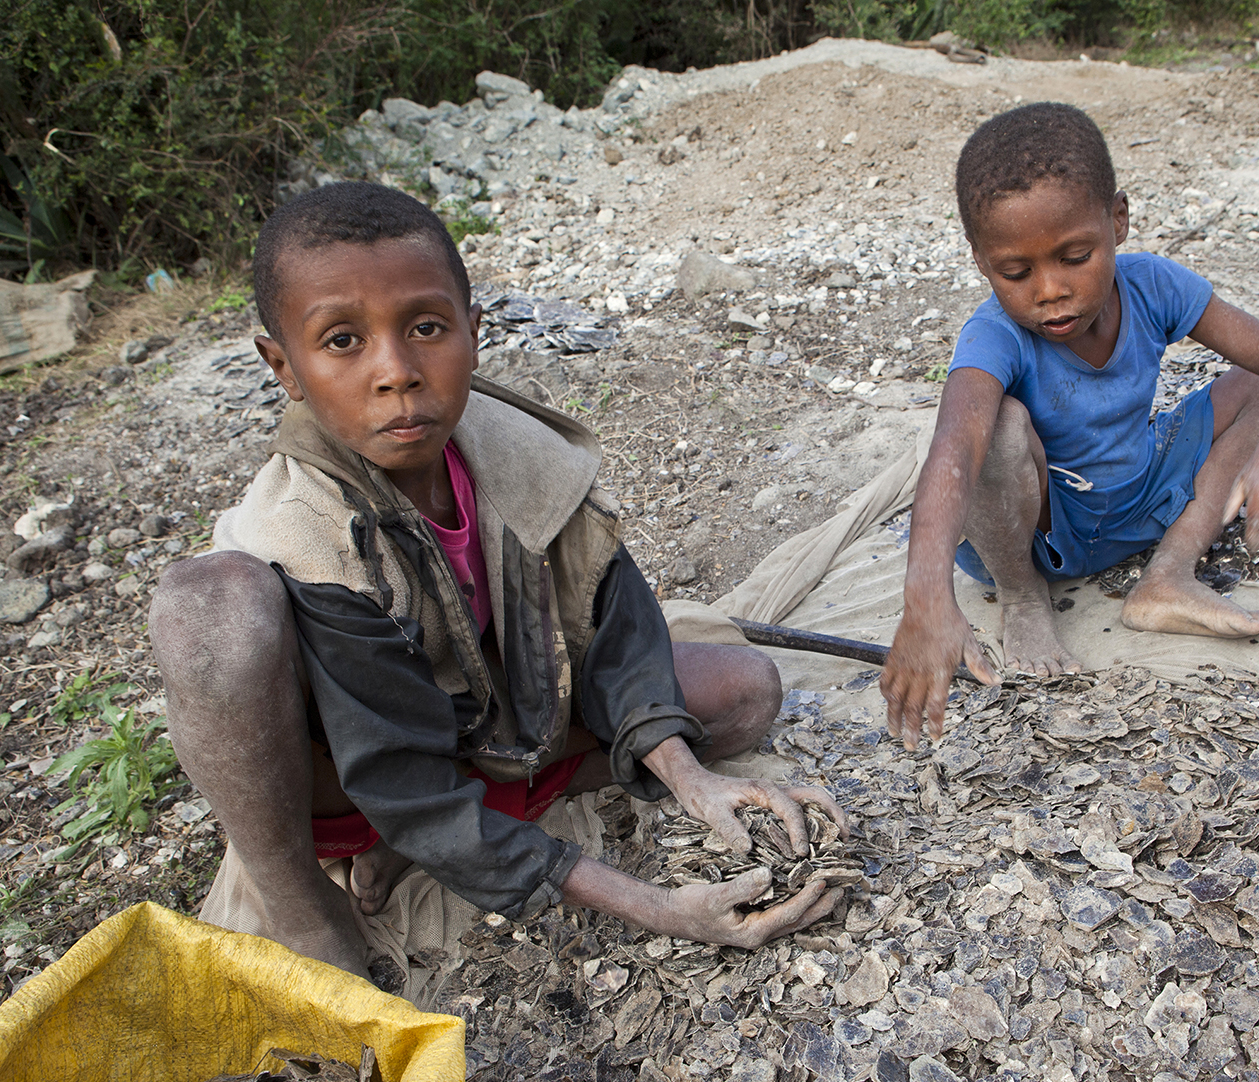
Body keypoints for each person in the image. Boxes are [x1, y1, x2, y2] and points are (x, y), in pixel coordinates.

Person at [150, 181, 847, 979]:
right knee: (208, 609)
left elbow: (614, 621)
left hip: (488, 722)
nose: (397, 371)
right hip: (351, 776)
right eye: (342, 340)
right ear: (285, 367)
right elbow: (401, 776)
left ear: (474, 334)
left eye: (425, 327)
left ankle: (426, 851)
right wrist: (659, 906)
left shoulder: (519, 450)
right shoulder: (309, 530)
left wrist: (690, 782)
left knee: (744, 689)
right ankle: (303, 900)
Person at [881, 103, 1259, 750]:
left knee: (1258, 388)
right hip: (1038, 529)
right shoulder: (994, 334)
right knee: (996, 428)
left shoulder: (1153, 287)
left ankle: (1168, 574)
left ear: (1117, 220)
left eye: (1075, 256)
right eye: (1017, 272)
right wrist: (925, 595)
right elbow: (953, 445)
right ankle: (1025, 600)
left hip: (1137, 494)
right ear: (980, 260)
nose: (1050, 289)